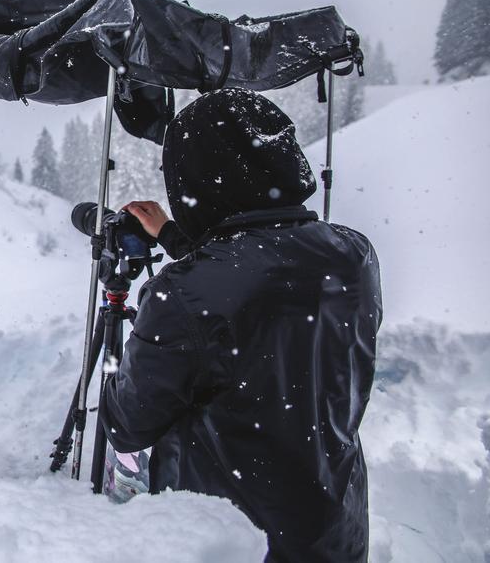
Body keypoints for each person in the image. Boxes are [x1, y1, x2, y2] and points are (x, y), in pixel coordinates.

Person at [99, 88, 382, 563]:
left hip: (233, 541)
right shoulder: (354, 255)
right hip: (334, 530)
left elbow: (127, 425)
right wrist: (174, 237)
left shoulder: (180, 295)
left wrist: (117, 361)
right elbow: (262, 281)